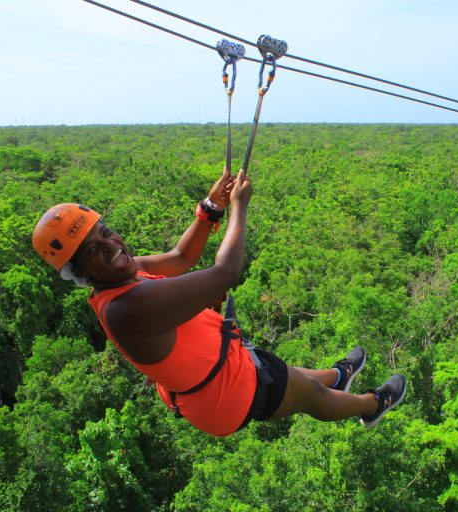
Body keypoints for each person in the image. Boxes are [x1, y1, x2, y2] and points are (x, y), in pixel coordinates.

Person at [32, 169, 406, 436]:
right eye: (93, 250)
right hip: (226, 393)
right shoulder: (127, 307)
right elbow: (225, 273)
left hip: (222, 359)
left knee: (287, 371)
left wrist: (210, 207)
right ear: (79, 272)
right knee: (310, 396)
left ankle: (340, 375)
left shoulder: (123, 276)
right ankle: (374, 405)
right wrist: (239, 207)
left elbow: (180, 257)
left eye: (105, 232)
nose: (113, 246)